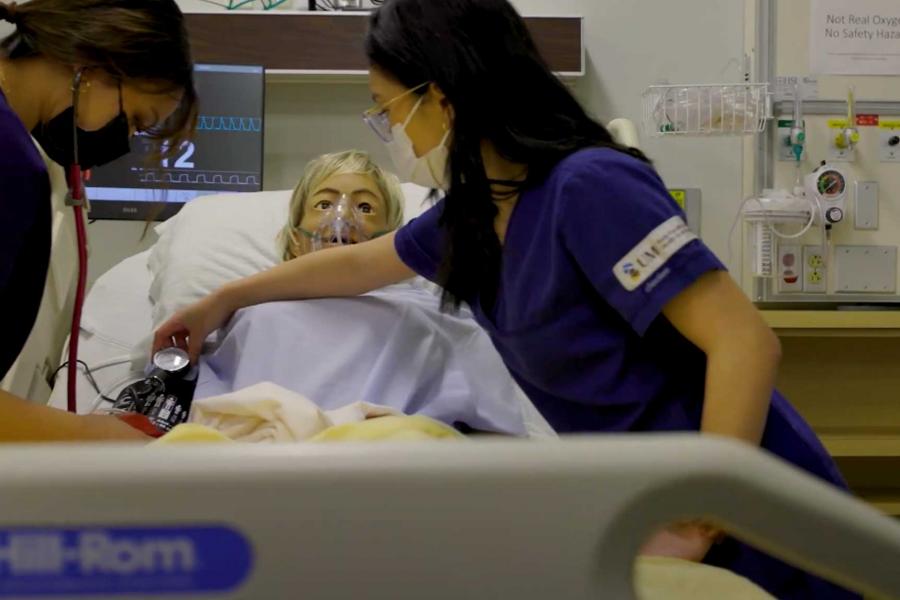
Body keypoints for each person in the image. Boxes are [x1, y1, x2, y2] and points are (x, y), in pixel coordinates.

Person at [154, 1, 856, 597]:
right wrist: (222, 300)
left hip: (747, 509)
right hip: (648, 506)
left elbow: (744, 341)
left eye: (385, 110)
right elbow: (353, 267)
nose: (386, 131)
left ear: (442, 99)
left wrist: (703, 514)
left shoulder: (588, 187)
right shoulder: (476, 214)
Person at [0, 0, 197, 441]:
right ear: (92, 66)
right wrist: (89, 433)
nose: (121, 142)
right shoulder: (8, 161)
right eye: (133, 121)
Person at [279, 150, 404, 260]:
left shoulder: (416, 287)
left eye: (364, 207)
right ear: (295, 241)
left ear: (392, 241)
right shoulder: (269, 287)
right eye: (324, 205)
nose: (343, 215)